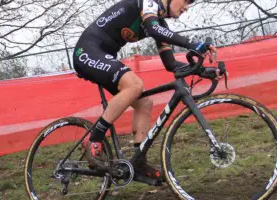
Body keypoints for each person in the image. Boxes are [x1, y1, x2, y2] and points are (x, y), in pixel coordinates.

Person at [73, 0, 218, 181]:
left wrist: (205, 71)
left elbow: (170, 64)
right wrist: (192, 43)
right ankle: (94, 139)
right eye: (187, 0)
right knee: (134, 85)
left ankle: (138, 162)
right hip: (87, 52)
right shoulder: (148, 3)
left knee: (144, 103)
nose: (187, 6)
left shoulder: (159, 23)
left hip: (104, 55)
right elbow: (154, 29)